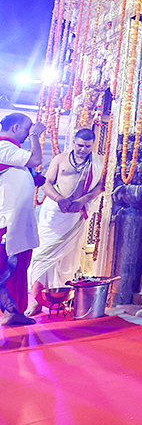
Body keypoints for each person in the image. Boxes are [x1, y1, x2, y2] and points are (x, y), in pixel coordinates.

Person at [27, 128, 105, 314]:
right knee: (43, 256)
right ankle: (37, 301)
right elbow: (45, 182)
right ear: (74, 143)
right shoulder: (60, 159)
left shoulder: (98, 162)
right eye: (79, 145)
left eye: (87, 146)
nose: (82, 149)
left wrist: (82, 200)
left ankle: (60, 299)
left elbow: (100, 187)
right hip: (54, 213)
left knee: (66, 259)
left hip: (75, 215)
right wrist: (58, 199)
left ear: (92, 145)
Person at [0, 113, 45, 326]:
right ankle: (9, 311)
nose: (29, 134)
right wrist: (37, 136)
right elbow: (36, 159)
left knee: (18, 267)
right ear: (16, 127)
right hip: (7, 221)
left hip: (17, 222)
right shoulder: (4, 147)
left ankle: (13, 312)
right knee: (6, 267)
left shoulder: (12, 151)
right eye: (28, 130)